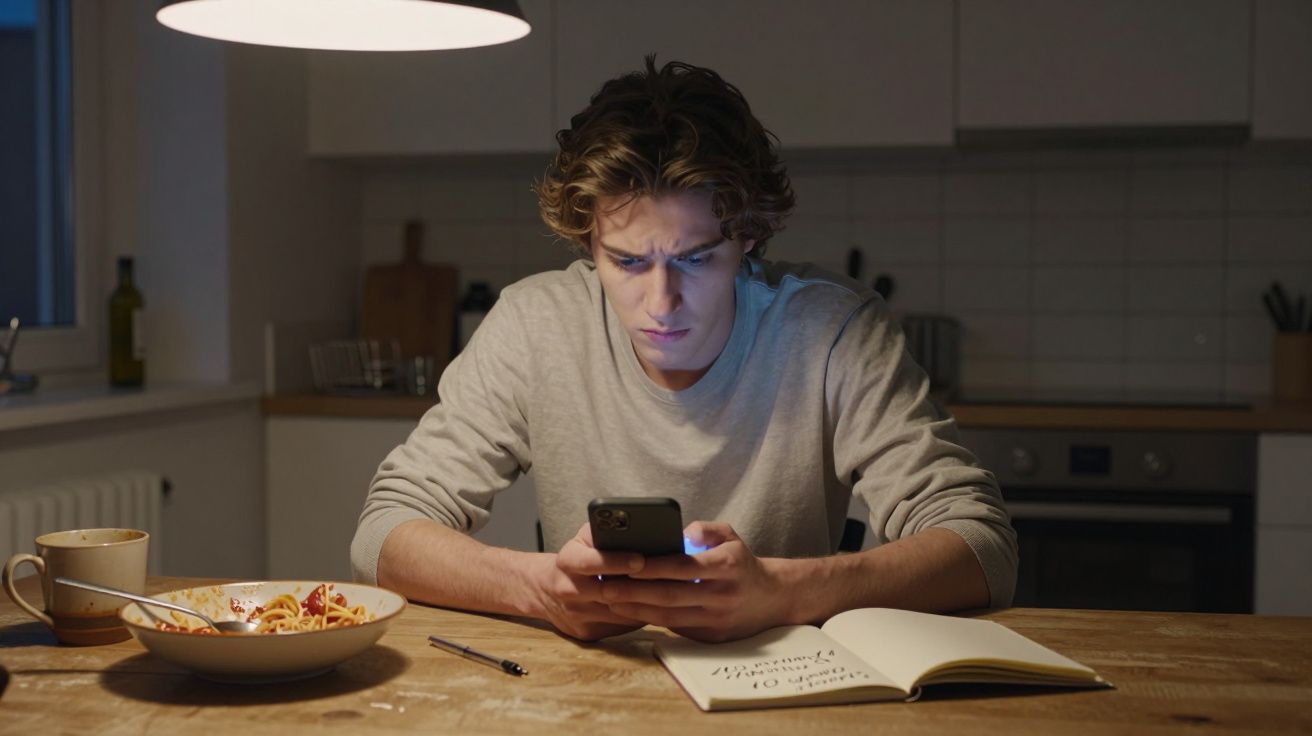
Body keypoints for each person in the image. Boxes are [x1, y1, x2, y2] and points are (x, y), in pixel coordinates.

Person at [351, 57, 1017, 643]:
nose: (661, 301)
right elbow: (383, 534)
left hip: (785, 688)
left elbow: (983, 549)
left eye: (695, 259)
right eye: (627, 261)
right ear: (587, 242)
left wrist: (781, 593)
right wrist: (542, 588)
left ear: (748, 237)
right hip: (582, 693)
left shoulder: (832, 328)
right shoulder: (534, 325)